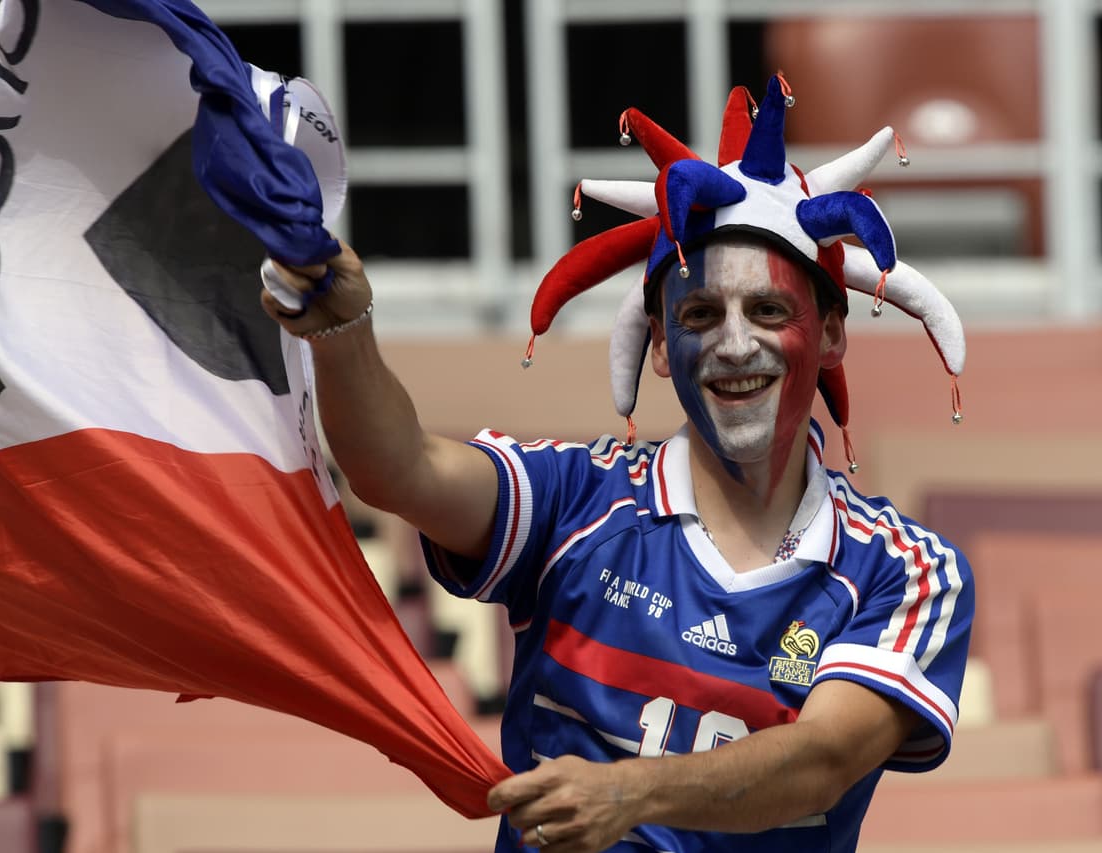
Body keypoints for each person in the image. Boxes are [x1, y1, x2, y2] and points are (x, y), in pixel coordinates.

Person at [260, 74, 974, 853]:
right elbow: (399, 470)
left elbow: (823, 760)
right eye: (701, 313)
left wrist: (627, 792)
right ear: (661, 344)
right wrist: (342, 333)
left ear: (832, 333)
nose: (736, 344)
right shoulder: (575, 498)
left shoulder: (905, 570)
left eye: (769, 309)